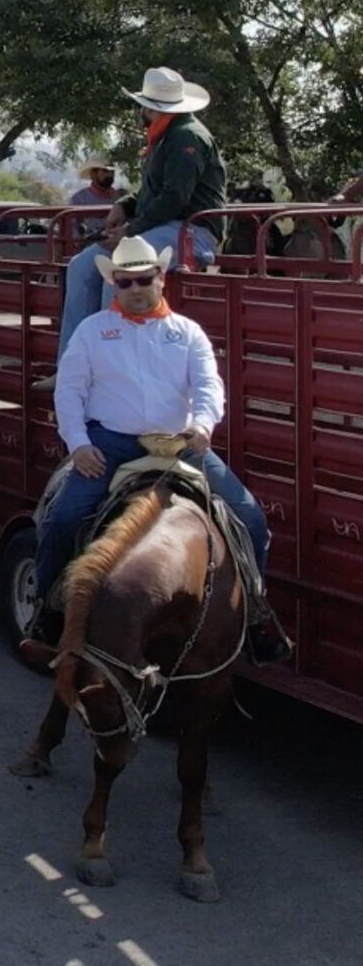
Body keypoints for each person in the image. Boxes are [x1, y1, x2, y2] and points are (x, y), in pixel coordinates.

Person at [22, 235, 288, 667]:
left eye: (144, 279)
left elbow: (209, 386)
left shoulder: (188, 333)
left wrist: (202, 425)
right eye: (124, 282)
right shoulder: (92, 333)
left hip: (178, 443)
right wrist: (79, 444)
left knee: (252, 520)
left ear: (161, 278)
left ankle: (254, 614)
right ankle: (48, 618)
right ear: (114, 284)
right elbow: (69, 392)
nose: (135, 289)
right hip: (110, 443)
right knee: (63, 518)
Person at [61, 68, 227, 352]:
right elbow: (157, 193)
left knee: (120, 265)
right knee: (81, 266)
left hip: (191, 231)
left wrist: (130, 230)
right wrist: (124, 205)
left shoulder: (185, 138)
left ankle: (110, 358)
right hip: (164, 227)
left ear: (151, 108)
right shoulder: (168, 136)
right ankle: (72, 359)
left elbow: (175, 197)